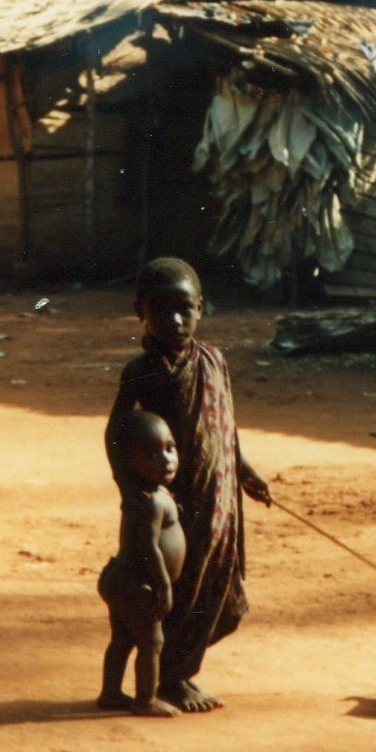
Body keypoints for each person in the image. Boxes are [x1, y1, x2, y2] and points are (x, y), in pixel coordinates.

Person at [108, 257, 271, 712]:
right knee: (178, 591)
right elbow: (116, 430)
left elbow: (224, 426)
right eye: (160, 311)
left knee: (222, 592)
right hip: (177, 507)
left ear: (201, 307)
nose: (175, 321)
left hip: (221, 502)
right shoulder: (143, 370)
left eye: (185, 309)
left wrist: (244, 470)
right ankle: (171, 678)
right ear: (141, 312)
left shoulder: (214, 360)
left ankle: (182, 672)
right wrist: (130, 489)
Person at [96, 410, 185, 718]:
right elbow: (148, 546)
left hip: (118, 578)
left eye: (170, 448)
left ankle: (110, 693)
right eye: (151, 454)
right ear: (129, 463)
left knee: (122, 638)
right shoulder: (151, 501)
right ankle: (145, 699)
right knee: (152, 641)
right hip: (136, 583)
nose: (166, 459)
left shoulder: (153, 494)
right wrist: (162, 586)